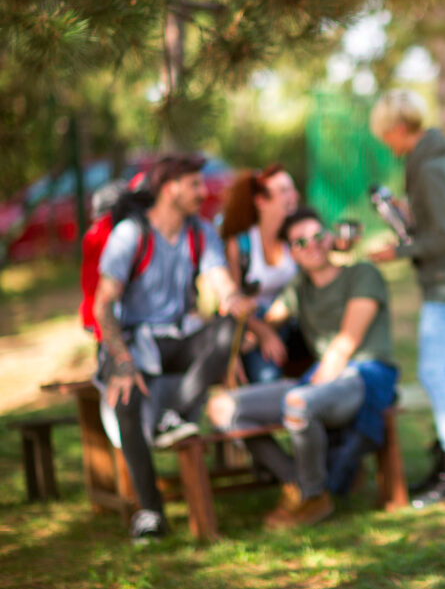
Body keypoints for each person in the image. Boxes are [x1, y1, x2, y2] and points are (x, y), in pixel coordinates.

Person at [93, 153, 253, 543]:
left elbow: (220, 282)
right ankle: (150, 512)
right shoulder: (131, 235)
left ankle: (174, 415)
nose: (203, 191)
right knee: (125, 398)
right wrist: (122, 361)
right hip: (135, 340)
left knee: (227, 329)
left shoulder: (200, 232)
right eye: (195, 184)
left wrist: (235, 300)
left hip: (180, 337)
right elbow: (103, 304)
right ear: (170, 188)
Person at [207, 207, 398, 529]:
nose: (311, 245)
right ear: (291, 253)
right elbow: (262, 323)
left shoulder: (362, 274)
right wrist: (254, 329)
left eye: (317, 236)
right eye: (299, 242)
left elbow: (345, 343)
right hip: (321, 380)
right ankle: (300, 484)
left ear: (329, 238)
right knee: (222, 408)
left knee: (298, 403)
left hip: (363, 375)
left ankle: (311, 496)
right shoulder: (298, 290)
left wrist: (307, 388)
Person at [367, 89, 445, 507]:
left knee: (436, 376)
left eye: (386, 135)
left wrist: (396, 250)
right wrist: (417, 214)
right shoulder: (443, 152)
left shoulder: (426, 165)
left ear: (398, 128)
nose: (387, 144)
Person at [219, 164, 306, 383]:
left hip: (293, 319)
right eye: (284, 190)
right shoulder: (241, 244)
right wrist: (263, 332)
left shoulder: (293, 237)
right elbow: (234, 300)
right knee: (267, 376)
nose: (293, 196)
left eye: (292, 189)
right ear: (261, 201)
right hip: (254, 323)